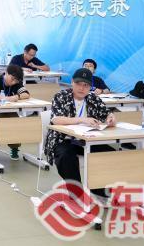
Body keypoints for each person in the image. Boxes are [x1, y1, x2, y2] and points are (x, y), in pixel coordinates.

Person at [44, 68, 116, 200]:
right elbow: (56, 119)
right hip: (62, 139)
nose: (81, 88)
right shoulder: (61, 96)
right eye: (78, 84)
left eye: (86, 85)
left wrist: (111, 118)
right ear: (72, 82)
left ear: (90, 87)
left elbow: (107, 114)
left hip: (87, 140)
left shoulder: (93, 98)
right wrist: (82, 119)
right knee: (66, 156)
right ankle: (76, 193)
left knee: (108, 153)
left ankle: (98, 188)